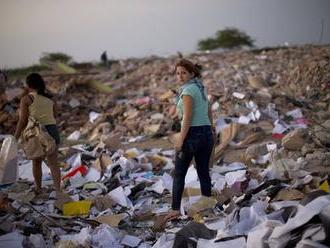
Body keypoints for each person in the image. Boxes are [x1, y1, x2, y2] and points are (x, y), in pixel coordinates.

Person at [166, 59, 215, 220]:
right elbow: (208, 111)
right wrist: (211, 129)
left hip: (192, 135)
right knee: (203, 172)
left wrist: (181, 139)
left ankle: (174, 210)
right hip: (206, 133)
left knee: (179, 173)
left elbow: (187, 116)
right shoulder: (201, 88)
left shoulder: (188, 91)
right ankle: (208, 205)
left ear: (191, 74)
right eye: (178, 73)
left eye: (183, 73)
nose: (180, 76)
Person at [14, 73, 61, 196]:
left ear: (28, 85)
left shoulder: (26, 99)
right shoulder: (51, 98)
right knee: (54, 164)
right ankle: (58, 191)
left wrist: (16, 136)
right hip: (51, 130)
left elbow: (23, 121)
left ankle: (39, 188)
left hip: (36, 132)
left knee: (37, 162)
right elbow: (55, 115)